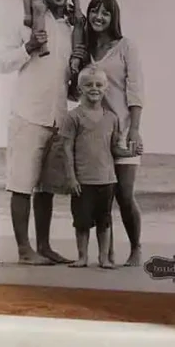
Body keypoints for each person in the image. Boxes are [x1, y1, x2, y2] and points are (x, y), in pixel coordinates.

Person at [0, 0, 77, 265]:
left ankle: (44, 246)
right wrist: (28, 46)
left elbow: (65, 76)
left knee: (46, 188)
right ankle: (24, 250)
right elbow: (1, 62)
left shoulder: (71, 28)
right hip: (27, 115)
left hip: (57, 116)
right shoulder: (24, 23)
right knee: (21, 185)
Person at [79, 0, 147, 266]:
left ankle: (136, 248)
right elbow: (76, 90)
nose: (99, 17)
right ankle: (106, 254)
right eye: (94, 11)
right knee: (101, 196)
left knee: (125, 195)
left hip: (123, 129)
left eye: (105, 13)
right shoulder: (84, 49)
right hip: (95, 133)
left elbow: (136, 89)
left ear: (113, 17)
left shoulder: (126, 47)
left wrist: (135, 130)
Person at [54, 66, 133, 269]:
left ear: (106, 88)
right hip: (82, 181)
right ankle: (82, 257)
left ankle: (104, 258)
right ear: (80, 88)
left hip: (107, 180)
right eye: (88, 85)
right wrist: (70, 177)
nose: (94, 88)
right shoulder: (73, 117)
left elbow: (114, 148)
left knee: (104, 222)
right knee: (81, 222)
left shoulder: (112, 118)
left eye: (99, 85)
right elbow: (66, 148)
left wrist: (131, 152)